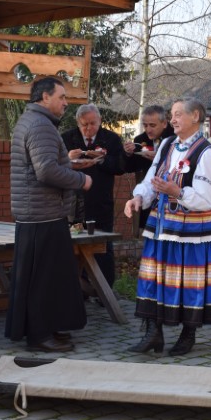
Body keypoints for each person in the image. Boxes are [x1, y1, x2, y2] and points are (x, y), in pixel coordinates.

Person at [124, 98, 211, 356]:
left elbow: (206, 199)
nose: (173, 120)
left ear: (195, 116)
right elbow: (152, 179)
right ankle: (153, 333)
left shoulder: (207, 153)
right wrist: (139, 198)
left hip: (193, 232)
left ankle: (188, 334)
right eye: (172, 114)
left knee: (189, 281)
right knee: (154, 278)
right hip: (163, 225)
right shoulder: (167, 144)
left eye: (178, 114)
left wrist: (176, 191)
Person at [5, 76, 92, 352]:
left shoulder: (33, 121)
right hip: (42, 215)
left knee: (49, 277)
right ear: (45, 97)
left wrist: (69, 163)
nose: (66, 103)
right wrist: (81, 180)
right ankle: (40, 336)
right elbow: (46, 171)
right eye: (61, 97)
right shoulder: (40, 125)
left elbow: (43, 165)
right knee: (42, 280)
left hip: (40, 213)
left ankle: (48, 328)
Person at [62, 104, 125, 287]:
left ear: (99, 121)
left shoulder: (111, 139)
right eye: (84, 125)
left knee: (103, 246)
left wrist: (102, 159)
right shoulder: (66, 138)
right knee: (74, 247)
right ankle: (78, 290)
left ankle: (104, 289)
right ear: (77, 123)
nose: (88, 128)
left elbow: (120, 167)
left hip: (101, 201)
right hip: (74, 202)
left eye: (92, 124)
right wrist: (67, 158)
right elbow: (54, 166)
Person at [123, 105, 174, 229]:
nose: (148, 130)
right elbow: (130, 168)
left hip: (169, 195)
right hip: (147, 191)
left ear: (164, 123)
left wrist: (160, 159)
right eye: (145, 125)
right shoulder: (140, 140)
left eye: (152, 125)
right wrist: (128, 154)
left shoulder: (174, 138)